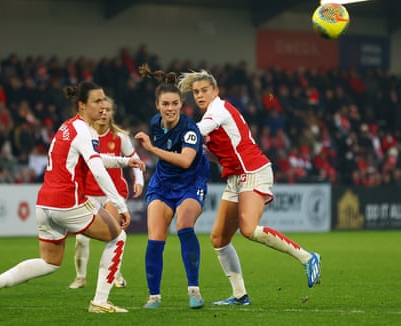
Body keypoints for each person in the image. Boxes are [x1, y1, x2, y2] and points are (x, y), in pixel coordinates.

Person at [0, 81, 146, 315]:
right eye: (97, 101)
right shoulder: (86, 130)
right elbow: (96, 169)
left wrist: (124, 161)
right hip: (67, 201)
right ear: (82, 105)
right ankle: (100, 301)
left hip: (45, 202)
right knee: (118, 236)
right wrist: (120, 204)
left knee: (49, 261)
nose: (103, 105)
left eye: (104, 99)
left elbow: (90, 158)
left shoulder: (69, 127)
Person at [177, 70, 321, 306]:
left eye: (204, 90)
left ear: (215, 91)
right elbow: (217, 154)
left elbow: (195, 132)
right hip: (236, 176)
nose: (200, 95)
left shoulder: (218, 110)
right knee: (219, 238)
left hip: (253, 170)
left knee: (248, 228)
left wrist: (170, 132)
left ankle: (307, 257)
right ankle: (240, 295)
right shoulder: (211, 117)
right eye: (196, 92)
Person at [134, 65, 210, 309]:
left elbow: (187, 161)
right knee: (155, 237)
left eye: (174, 104)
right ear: (157, 105)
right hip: (163, 183)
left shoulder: (190, 130)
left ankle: (195, 291)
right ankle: (154, 297)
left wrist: (152, 150)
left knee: (184, 225)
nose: (170, 108)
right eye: (165, 104)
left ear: (181, 104)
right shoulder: (155, 123)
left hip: (190, 183)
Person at [69, 95, 144, 290]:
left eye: (108, 110)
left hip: (113, 192)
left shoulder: (120, 137)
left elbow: (133, 158)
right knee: (81, 239)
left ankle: (115, 274)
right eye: (100, 109)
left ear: (112, 113)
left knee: (113, 234)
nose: (104, 113)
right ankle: (80, 277)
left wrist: (139, 179)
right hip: (89, 193)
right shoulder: (85, 135)